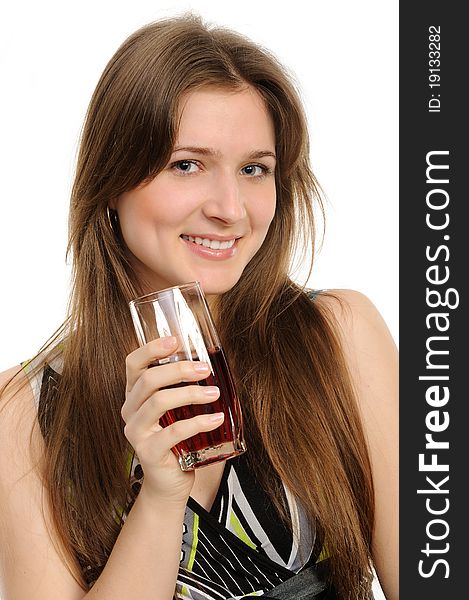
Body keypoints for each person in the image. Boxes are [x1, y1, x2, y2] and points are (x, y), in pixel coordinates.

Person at [0, 14, 398, 600]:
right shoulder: (25, 414)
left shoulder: (339, 336)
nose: (231, 208)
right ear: (113, 178)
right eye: (187, 164)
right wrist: (162, 494)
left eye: (254, 169)